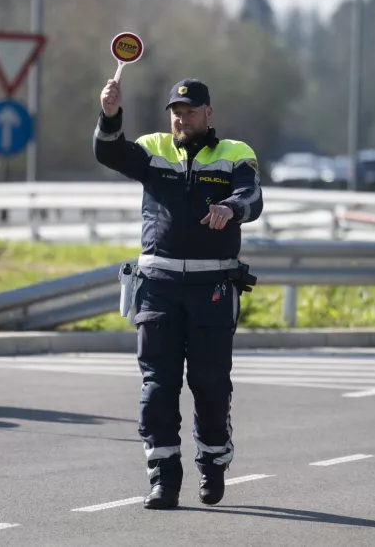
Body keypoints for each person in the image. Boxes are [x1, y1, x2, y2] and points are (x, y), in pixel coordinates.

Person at [93, 77, 263, 509]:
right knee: (157, 387)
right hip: (158, 290)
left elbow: (252, 195)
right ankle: (163, 478)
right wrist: (110, 115)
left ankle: (212, 462)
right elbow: (110, 152)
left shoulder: (234, 154)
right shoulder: (154, 148)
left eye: (189, 112)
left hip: (212, 291)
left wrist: (231, 208)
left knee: (209, 386)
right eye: (175, 112)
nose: (180, 119)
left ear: (208, 113)